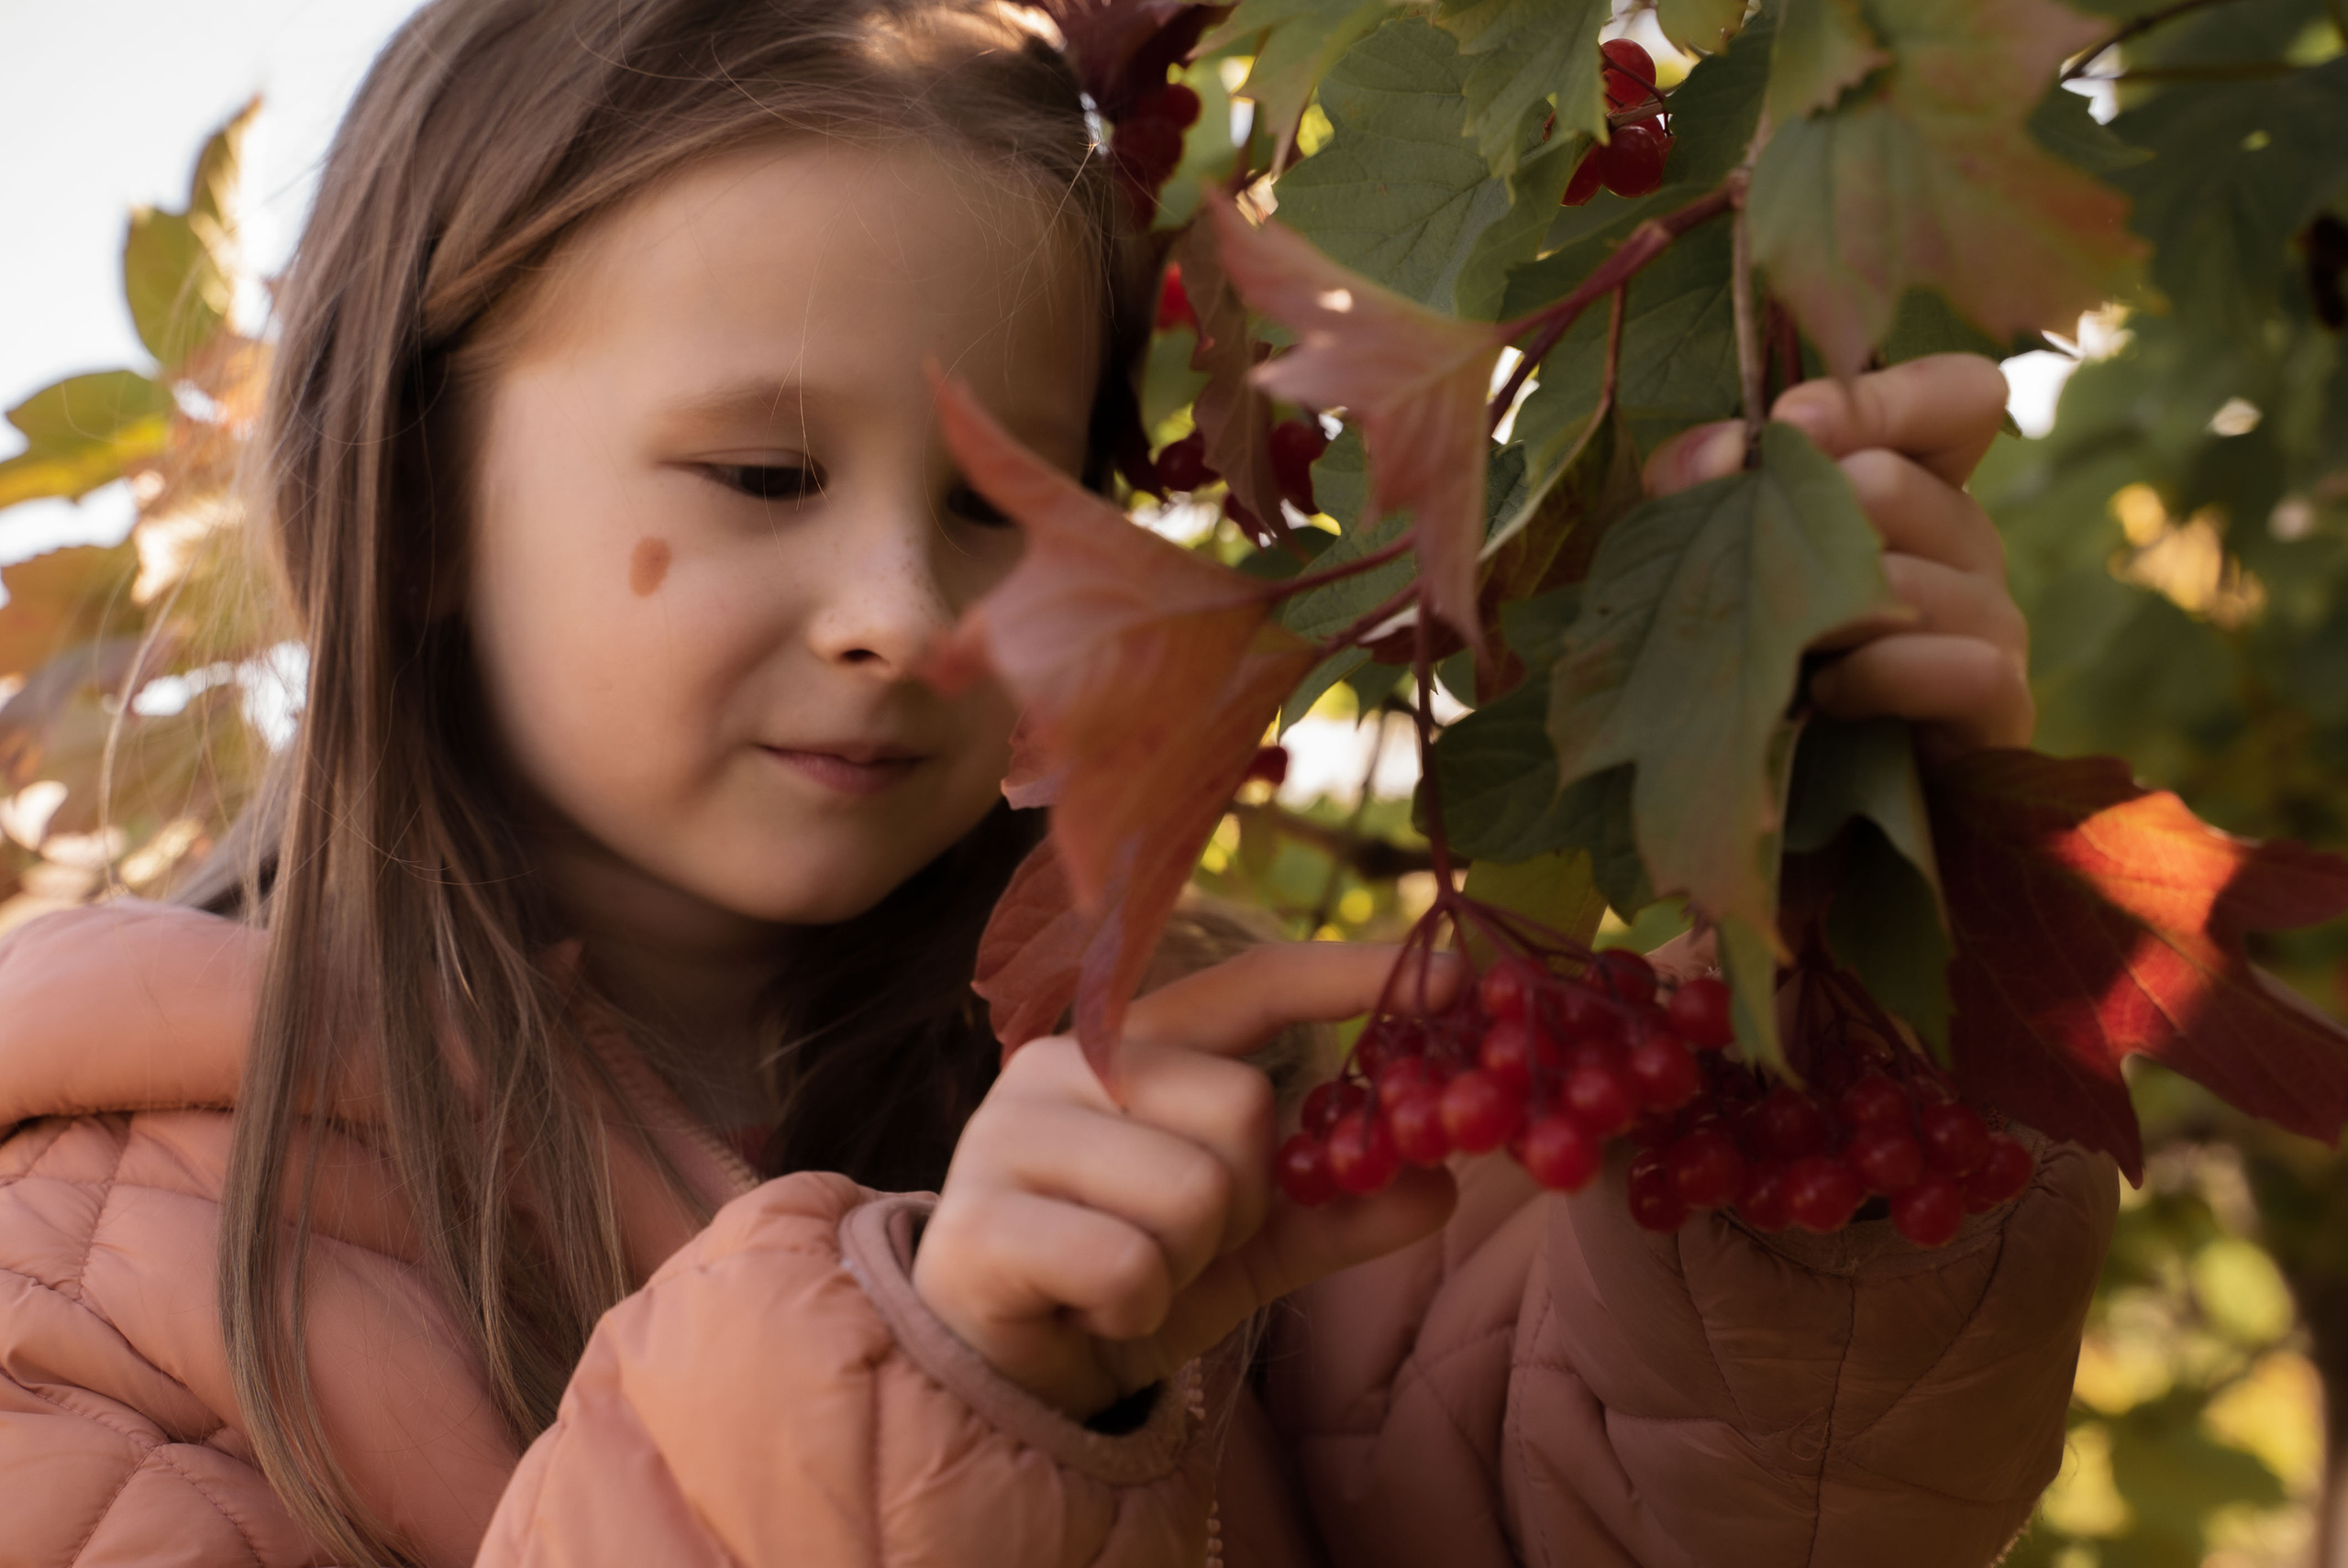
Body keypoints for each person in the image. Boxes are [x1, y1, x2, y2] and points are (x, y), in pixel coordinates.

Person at [0, 1, 2114, 1563]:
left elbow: (1704, 1524)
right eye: (760, 474)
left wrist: (1840, 921)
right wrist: (939, 1395)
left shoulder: (1263, 1100)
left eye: (1013, 499)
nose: (910, 611)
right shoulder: (90, 1277)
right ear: (419, 494)